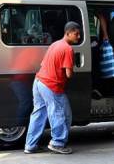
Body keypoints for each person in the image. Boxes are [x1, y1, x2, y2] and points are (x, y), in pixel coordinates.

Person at [24, 21, 81, 155]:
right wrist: (73, 69)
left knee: (38, 114)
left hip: (38, 82)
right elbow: (68, 74)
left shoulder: (55, 44)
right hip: (51, 85)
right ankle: (58, 143)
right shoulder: (68, 49)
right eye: (76, 34)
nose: (78, 37)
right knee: (61, 113)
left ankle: (30, 145)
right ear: (68, 33)